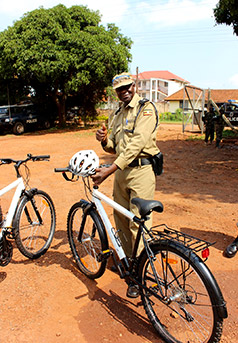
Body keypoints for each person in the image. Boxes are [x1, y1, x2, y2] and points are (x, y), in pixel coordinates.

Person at [91, 72, 160, 298]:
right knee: (121, 220)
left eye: (128, 87)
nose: (125, 91)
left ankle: (144, 276)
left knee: (138, 224)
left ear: (134, 85)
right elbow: (115, 148)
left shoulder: (145, 109)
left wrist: (109, 170)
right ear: (116, 91)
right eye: (120, 89)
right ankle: (131, 269)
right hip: (122, 173)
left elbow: (137, 145)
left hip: (140, 171)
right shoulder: (117, 113)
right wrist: (103, 139)